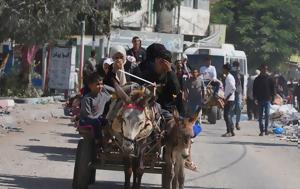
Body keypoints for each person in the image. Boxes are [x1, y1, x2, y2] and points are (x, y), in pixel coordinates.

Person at [79, 72, 111, 145]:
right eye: (97, 84)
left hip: (98, 119)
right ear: (90, 86)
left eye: (101, 84)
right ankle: (98, 140)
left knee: (109, 121)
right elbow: (87, 115)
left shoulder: (104, 96)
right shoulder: (87, 99)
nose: (100, 86)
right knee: (96, 122)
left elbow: (114, 93)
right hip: (86, 120)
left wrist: (104, 86)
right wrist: (98, 118)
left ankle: (110, 138)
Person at [253, 64, 275, 136]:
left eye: (265, 69)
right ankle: (261, 131)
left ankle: (266, 130)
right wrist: (255, 98)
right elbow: (254, 89)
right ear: (260, 69)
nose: (264, 70)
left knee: (267, 115)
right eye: (263, 69)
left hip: (267, 99)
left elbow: (273, 89)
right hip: (260, 100)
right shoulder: (257, 79)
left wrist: (273, 97)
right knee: (260, 116)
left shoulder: (270, 79)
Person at [222, 64, 236, 137]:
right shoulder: (227, 77)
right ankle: (231, 130)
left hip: (230, 99)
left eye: (223, 69)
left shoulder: (229, 77)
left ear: (226, 69)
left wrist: (227, 98)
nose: (222, 70)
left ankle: (229, 131)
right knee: (227, 115)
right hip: (228, 98)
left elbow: (233, 88)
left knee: (226, 115)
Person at [231, 61, 244, 130]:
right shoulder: (231, 73)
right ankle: (232, 124)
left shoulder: (241, 74)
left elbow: (242, 84)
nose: (237, 67)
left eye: (238, 66)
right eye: (235, 66)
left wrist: (243, 95)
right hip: (232, 92)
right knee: (232, 108)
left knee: (239, 107)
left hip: (238, 92)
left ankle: (237, 123)